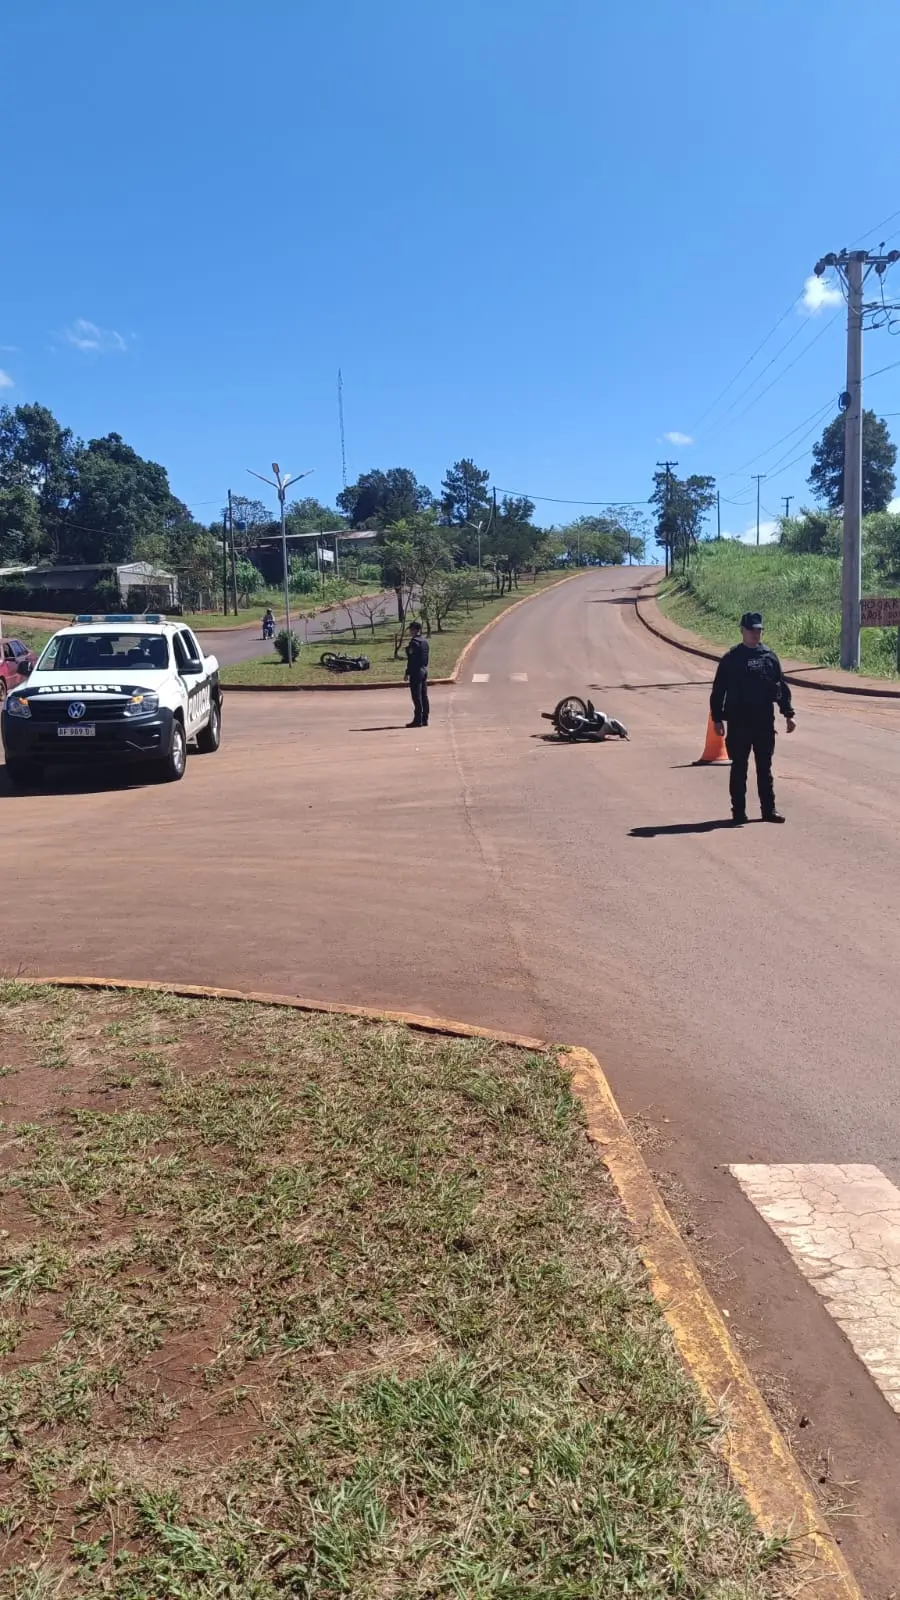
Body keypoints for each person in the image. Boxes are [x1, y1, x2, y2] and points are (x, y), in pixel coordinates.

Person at [710, 611, 796, 824]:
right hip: (739, 722)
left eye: (758, 630)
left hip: (763, 721)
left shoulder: (769, 656)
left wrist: (788, 714)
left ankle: (769, 810)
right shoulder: (731, 659)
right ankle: (738, 812)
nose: (755, 634)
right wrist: (717, 719)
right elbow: (719, 690)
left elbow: (780, 687)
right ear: (742, 631)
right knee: (739, 767)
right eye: (751, 630)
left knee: (764, 768)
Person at [404, 621, 430, 727]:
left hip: (416, 671)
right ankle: (425, 719)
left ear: (415, 629)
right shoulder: (424, 641)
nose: (410, 631)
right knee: (424, 696)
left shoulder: (414, 642)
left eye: (411, 629)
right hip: (424, 669)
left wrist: (407, 672)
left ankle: (417, 719)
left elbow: (411, 660)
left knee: (416, 696)